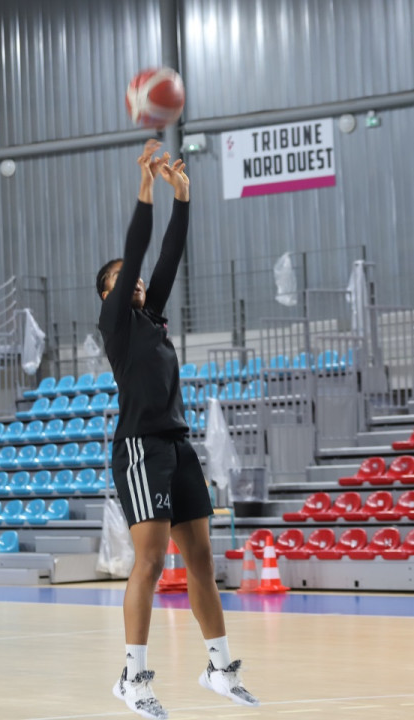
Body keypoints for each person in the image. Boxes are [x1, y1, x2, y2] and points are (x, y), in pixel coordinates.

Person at [97, 139, 259, 720]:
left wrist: (182, 197)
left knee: (200, 558)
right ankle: (132, 677)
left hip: (176, 444)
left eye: (133, 281)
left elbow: (165, 258)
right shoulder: (115, 325)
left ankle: (218, 666)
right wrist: (146, 185)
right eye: (121, 279)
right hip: (139, 449)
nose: (134, 282)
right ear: (108, 296)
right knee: (148, 561)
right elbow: (140, 252)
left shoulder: (151, 318)